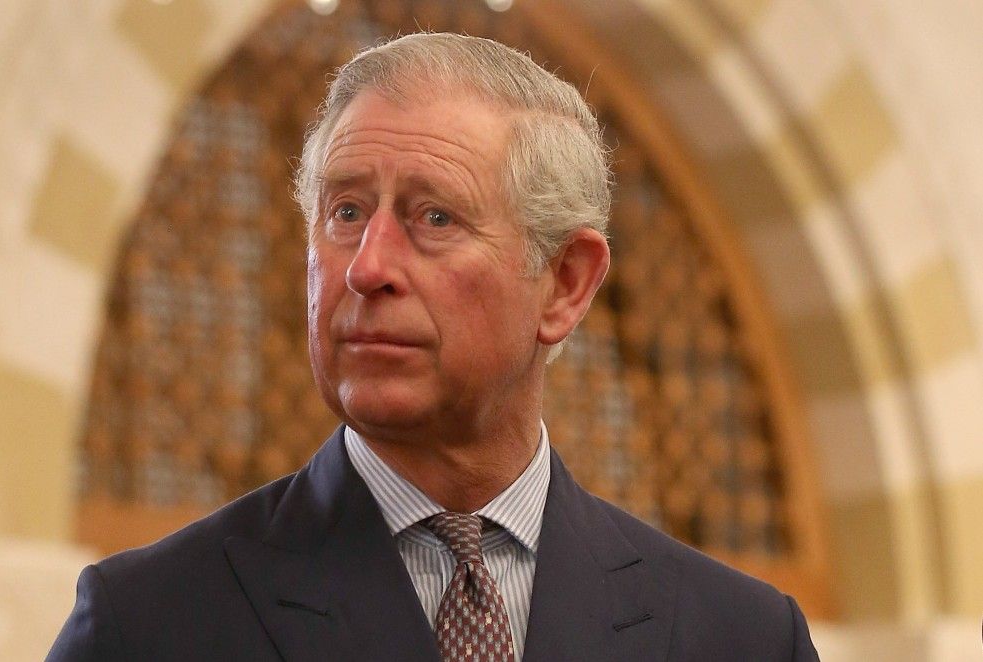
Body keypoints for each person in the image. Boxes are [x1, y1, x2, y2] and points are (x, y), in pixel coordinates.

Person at [48, 32, 819, 661]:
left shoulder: (738, 639)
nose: (368, 266)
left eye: (435, 218)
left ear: (565, 284)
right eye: (345, 211)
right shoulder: (147, 626)